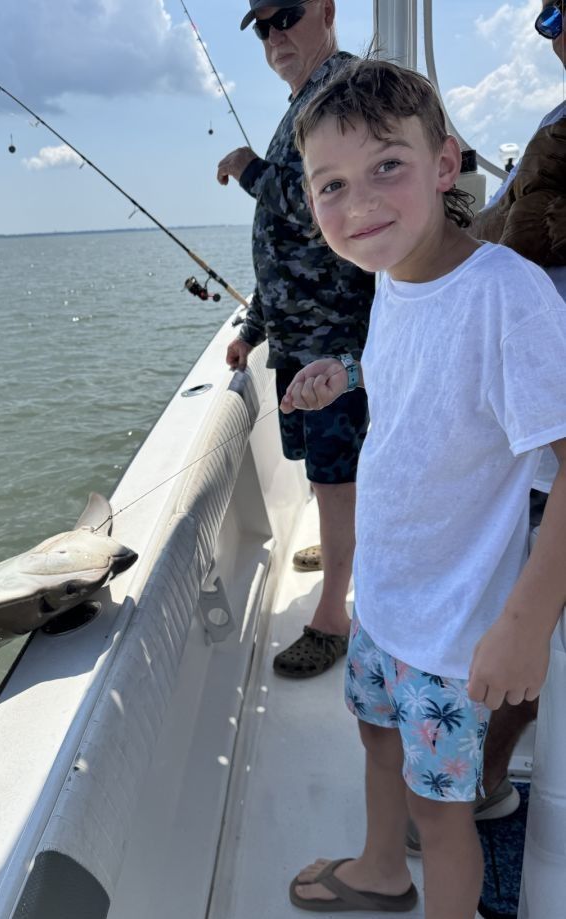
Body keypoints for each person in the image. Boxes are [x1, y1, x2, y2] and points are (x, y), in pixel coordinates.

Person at [281, 59, 566, 918]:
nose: (359, 203)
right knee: (376, 740)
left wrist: (525, 622)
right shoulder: (392, 274)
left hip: (451, 631)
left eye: (387, 166)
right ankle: (380, 868)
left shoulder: (507, 296)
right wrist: (348, 372)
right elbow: (424, 371)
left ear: (444, 164)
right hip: (385, 599)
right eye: (331, 184)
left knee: (441, 814)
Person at [421, 0, 566, 831]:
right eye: (548, 17)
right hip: (528, 432)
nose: (558, 32)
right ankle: (484, 775)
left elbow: (515, 236)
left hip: (549, 430)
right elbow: (500, 223)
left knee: (525, 622)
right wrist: (418, 257)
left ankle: (478, 780)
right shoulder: (553, 122)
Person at [216, 0, 374, 679]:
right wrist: (254, 329)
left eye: (288, 14)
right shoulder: (304, 101)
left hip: (334, 341)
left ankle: (334, 617)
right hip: (296, 338)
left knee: (336, 477)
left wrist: (249, 167)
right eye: (263, 26)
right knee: (322, 472)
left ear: (328, 10)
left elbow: (322, 202)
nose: (275, 34)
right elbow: (287, 247)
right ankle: (344, 556)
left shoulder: (345, 90)